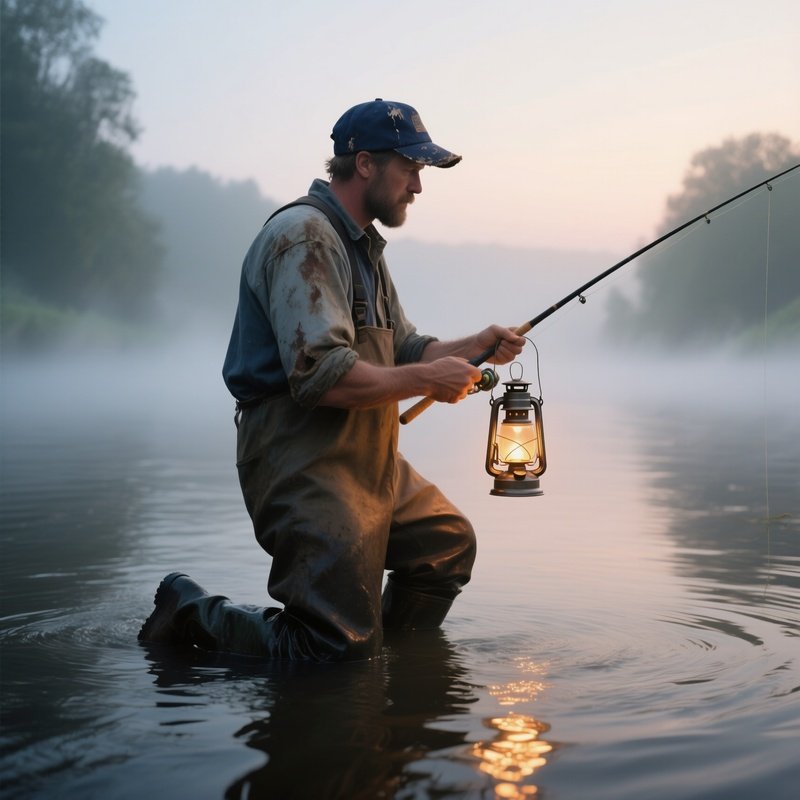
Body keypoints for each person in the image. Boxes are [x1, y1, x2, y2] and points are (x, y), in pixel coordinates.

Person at [138, 99, 525, 661]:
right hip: (300, 457)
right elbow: (321, 376)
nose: (418, 186)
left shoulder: (361, 245)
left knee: (444, 546)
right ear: (364, 163)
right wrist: (429, 379)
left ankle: (388, 666)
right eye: (410, 168)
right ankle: (191, 612)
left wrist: (475, 345)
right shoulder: (305, 237)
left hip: (368, 455)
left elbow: (405, 348)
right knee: (329, 646)